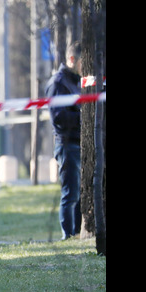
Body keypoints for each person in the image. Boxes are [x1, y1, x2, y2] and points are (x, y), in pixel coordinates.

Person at [46, 41, 82, 239]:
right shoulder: (59, 83)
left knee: (79, 193)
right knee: (71, 194)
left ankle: (77, 232)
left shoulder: (76, 81)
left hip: (78, 142)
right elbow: (58, 118)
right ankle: (68, 235)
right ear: (72, 59)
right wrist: (83, 116)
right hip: (67, 145)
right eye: (83, 62)